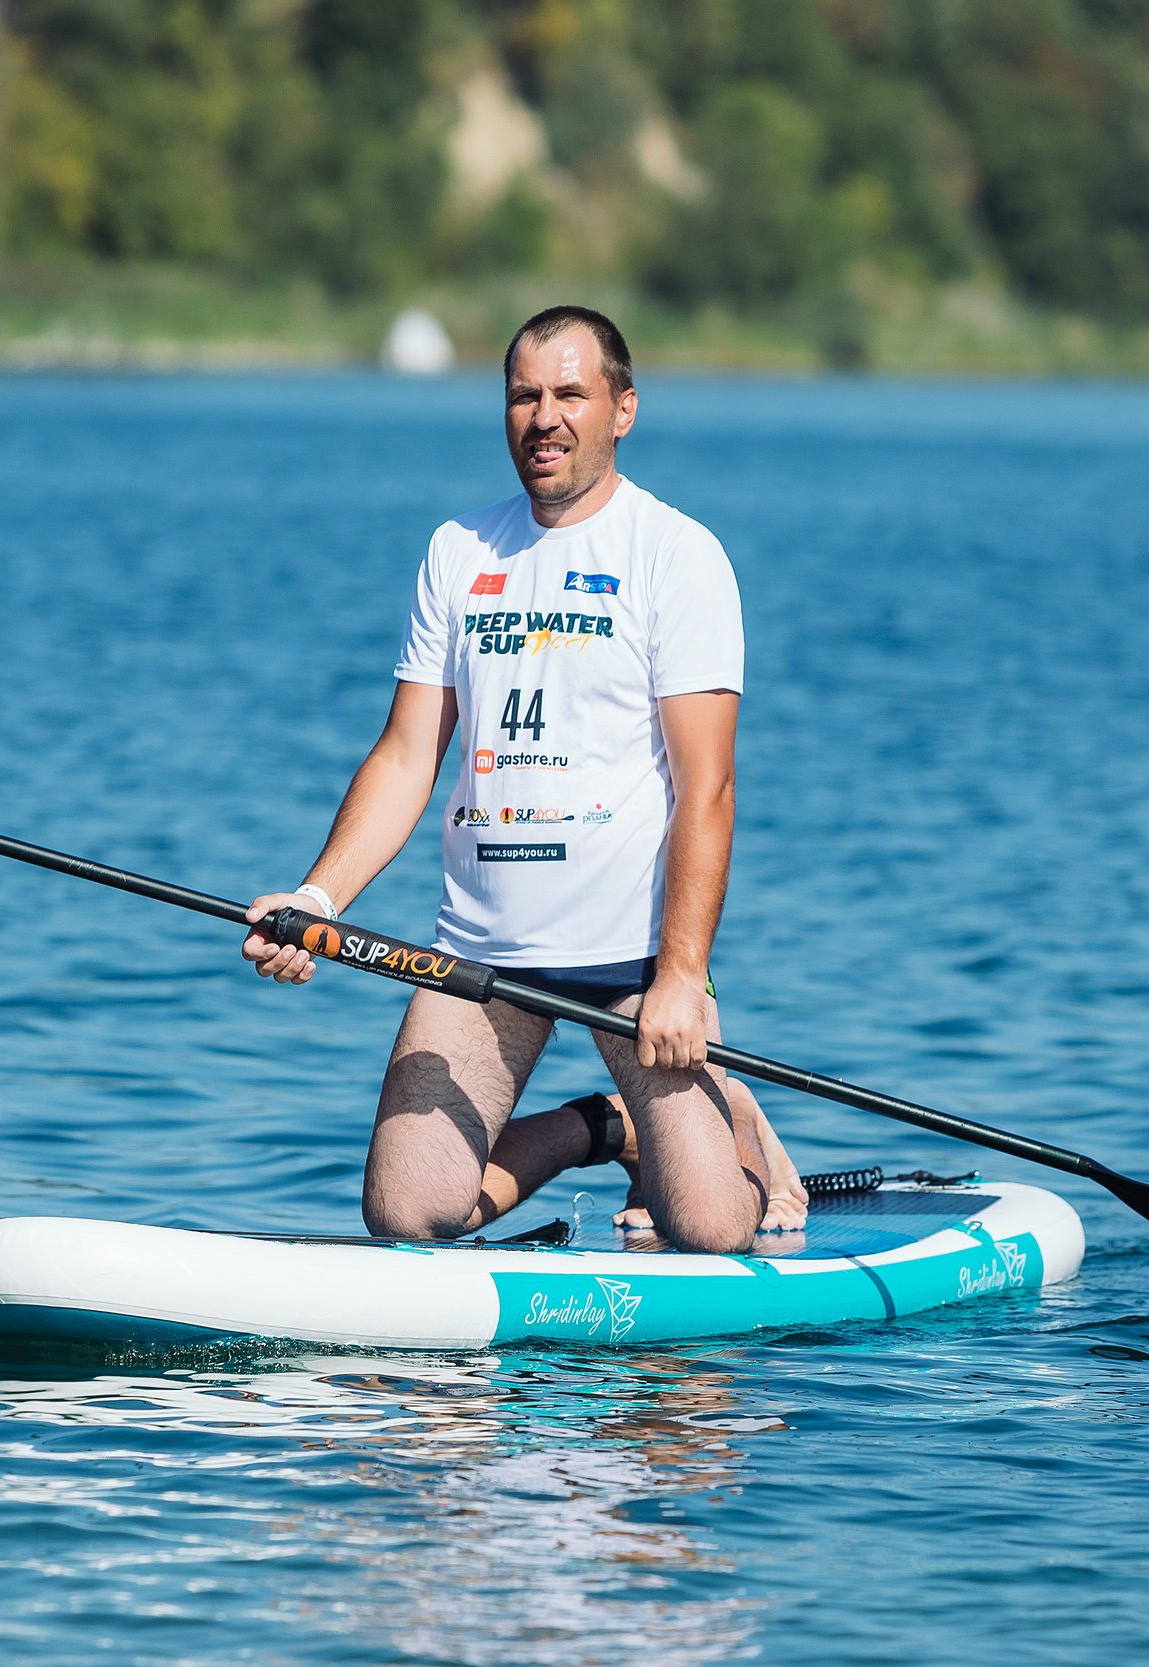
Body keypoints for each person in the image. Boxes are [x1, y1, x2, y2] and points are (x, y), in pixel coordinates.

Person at [240, 305, 805, 1253]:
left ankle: (735, 1123)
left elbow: (707, 788)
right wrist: (316, 898)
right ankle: (605, 1128)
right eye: (523, 396)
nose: (544, 418)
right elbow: (406, 755)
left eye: (570, 395)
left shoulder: (676, 554)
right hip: (483, 953)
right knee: (408, 1212)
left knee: (712, 1230)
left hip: (634, 962)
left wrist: (681, 975)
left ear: (622, 409)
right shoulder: (459, 551)